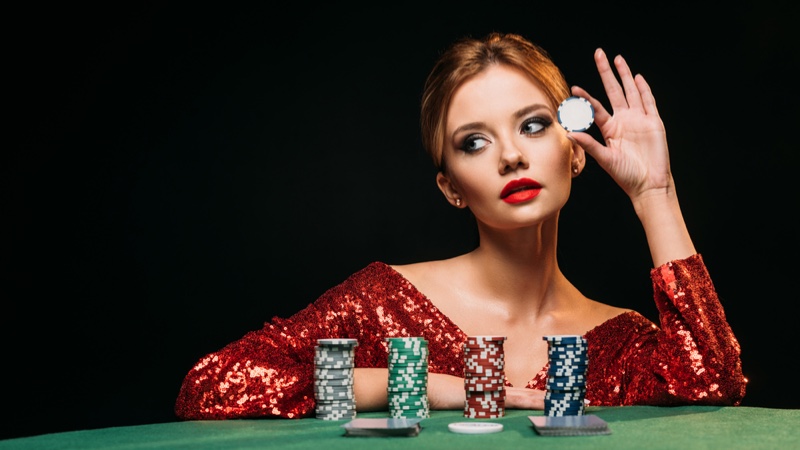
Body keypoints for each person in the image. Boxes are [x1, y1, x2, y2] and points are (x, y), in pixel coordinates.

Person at [174, 32, 747, 420]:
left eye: (532, 126)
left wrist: (655, 194)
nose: (510, 158)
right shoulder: (384, 300)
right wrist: (421, 386)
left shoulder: (622, 341)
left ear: (575, 151)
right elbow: (213, 387)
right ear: (450, 186)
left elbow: (715, 384)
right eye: (474, 142)